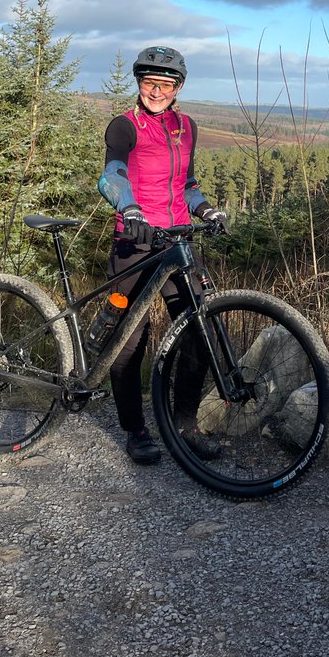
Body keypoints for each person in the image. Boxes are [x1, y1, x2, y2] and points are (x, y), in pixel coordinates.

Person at [97, 45, 227, 464]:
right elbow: (111, 174)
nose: (156, 91)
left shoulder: (187, 127)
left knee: (199, 331)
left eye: (165, 85)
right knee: (129, 342)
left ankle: (184, 426)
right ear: (139, 84)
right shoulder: (124, 126)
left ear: (178, 88)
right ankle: (136, 431)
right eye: (149, 83)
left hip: (176, 241)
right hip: (135, 241)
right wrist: (128, 206)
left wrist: (206, 208)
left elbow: (187, 183)